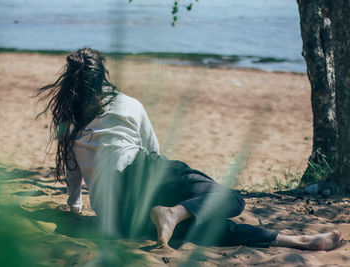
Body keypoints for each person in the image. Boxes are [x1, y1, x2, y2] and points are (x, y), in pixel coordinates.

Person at [36, 48, 341, 251]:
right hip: (141, 171)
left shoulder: (69, 121)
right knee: (230, 200)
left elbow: (73, 172)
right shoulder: (126, 103)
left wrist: (75, 206)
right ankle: (173, 212)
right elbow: (153, 151)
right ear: (103, 76)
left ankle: (297, 241)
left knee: (201, 230)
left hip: (114, 214)